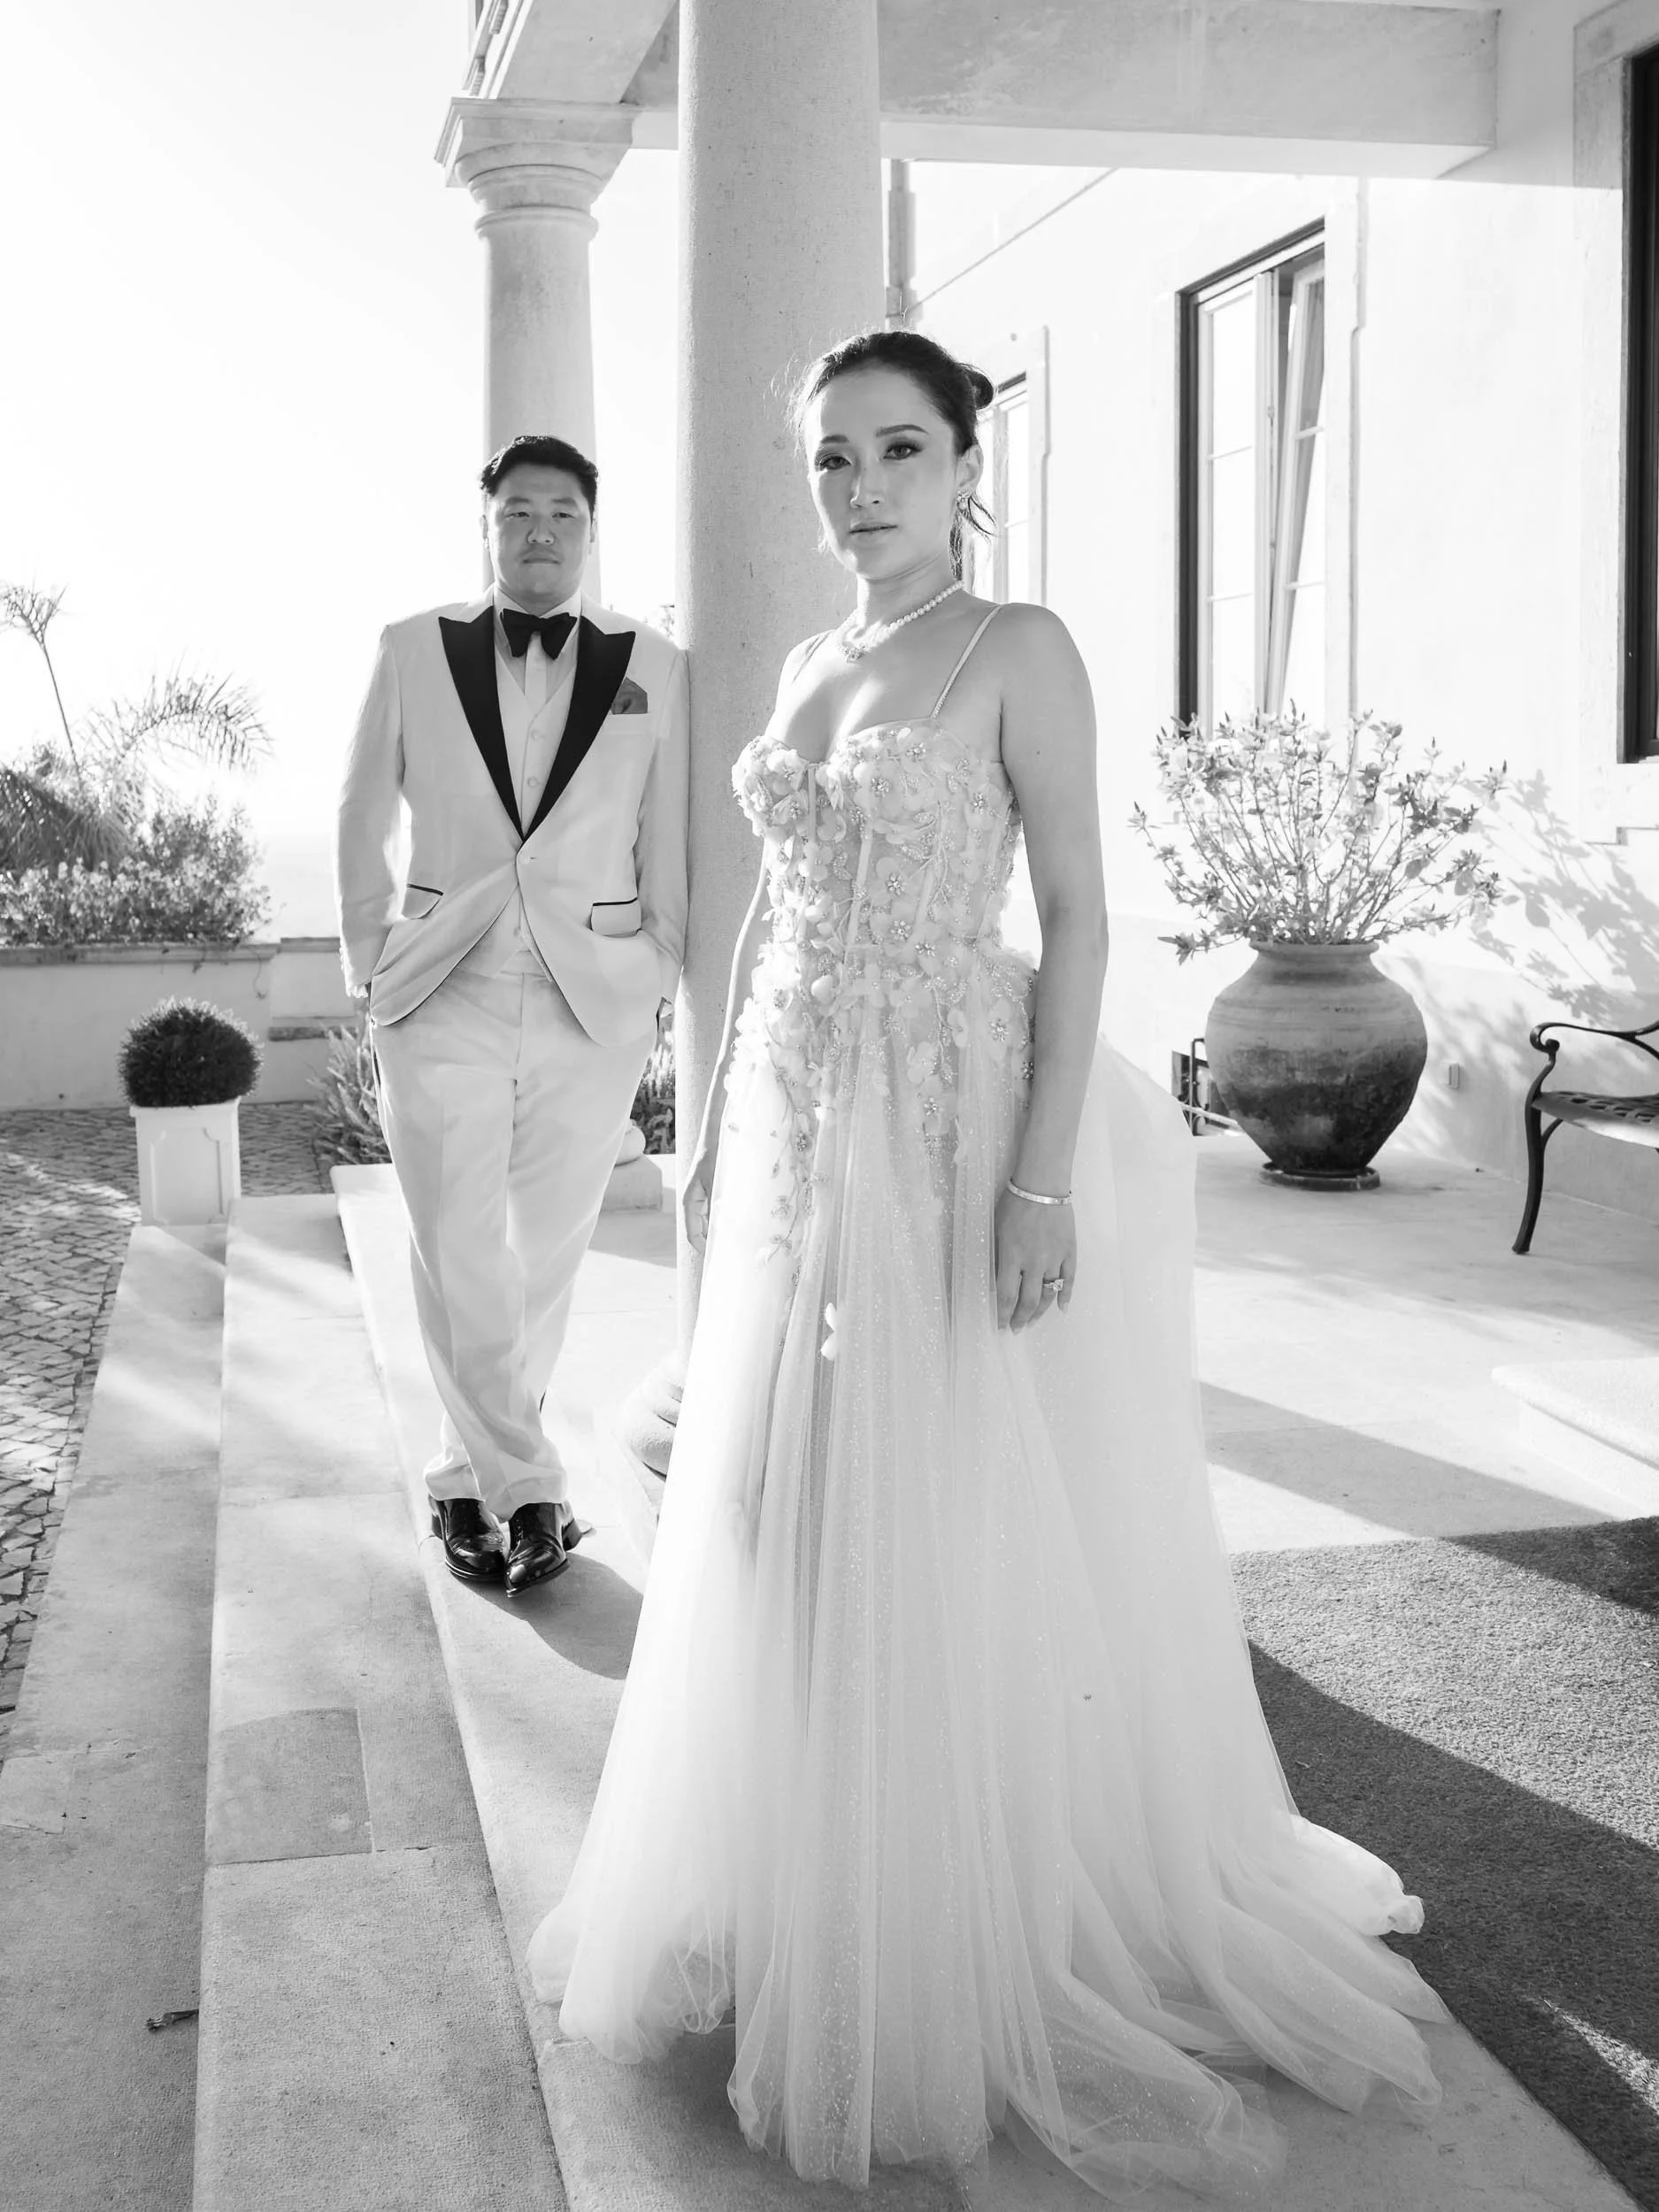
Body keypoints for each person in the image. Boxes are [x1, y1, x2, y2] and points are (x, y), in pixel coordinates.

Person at [526, 334, 1445, 2199]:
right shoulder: (808, 664)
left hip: (949, 1112)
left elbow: (1082, 915)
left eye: (895, 450)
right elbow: (771, 914)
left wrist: (1035, 1185)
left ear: (962, 464)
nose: (858, 486)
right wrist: (708, 1122)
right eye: (831, 457)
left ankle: (961, 1905)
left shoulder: (1017, 646)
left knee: (935, 1493)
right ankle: (818, 1855)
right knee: (779, 1493)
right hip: (800, 1115)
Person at [336, 434, 687, 1595]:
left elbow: (668, 829)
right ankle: (531, 1490)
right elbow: (359, 811)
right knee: (456, 1245)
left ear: (590, 529)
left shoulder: (654, 664)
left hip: (595, 996)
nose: (540, 531)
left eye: (562, 514)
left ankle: (462, 1481)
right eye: (518, 513)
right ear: (486, 527)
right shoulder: (411, 648)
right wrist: (369, 960)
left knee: (542, 1254)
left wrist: (661, 964)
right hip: (443, 987)